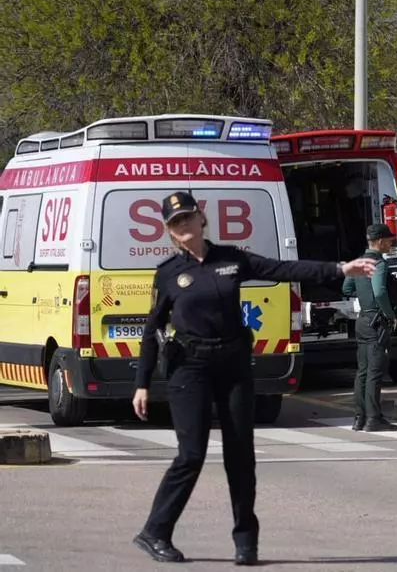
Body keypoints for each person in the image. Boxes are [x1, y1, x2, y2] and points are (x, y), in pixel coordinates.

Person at [131, 191, 376, 565]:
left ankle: (246, 542)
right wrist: (142, 383)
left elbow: (283, 270)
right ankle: (155, 532)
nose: (183, 225)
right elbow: (152, 330)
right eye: (175, 222)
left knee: (241, 455)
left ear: (201, 218)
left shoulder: (232, 259)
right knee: (191, 455)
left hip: (232, 366)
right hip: (190, 370)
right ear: (169, 230)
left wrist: (339, 269)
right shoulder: (168, 274)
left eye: (188, 217)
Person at [342, 224, 397, 433]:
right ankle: (373, 419)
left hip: (362, 321)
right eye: (389, 241)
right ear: (380, 241)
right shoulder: (379, 263)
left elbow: (346, 288)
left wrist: (363, 295)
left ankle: (359, 419)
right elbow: (380, 291)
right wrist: (390, 315)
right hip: (377, 322)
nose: (391, 244)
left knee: (363, 372)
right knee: (375, 373)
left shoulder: (358, 263)